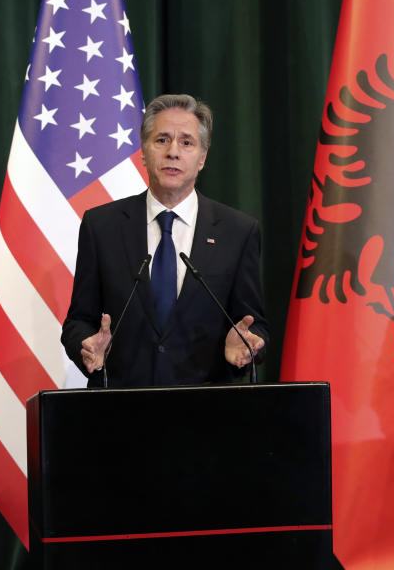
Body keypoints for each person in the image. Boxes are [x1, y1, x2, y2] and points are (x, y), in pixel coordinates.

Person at [61, 94, 268, 387]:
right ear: (144, 151)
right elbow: (78, 321)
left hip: (206, 412)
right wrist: (86, 346)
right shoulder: (102, 226)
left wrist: (245, 347)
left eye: (186, 142)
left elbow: (254, 323)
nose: (173, 152)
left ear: (203, 156)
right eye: (161, 140)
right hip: (119, 412)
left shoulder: (237, 231)